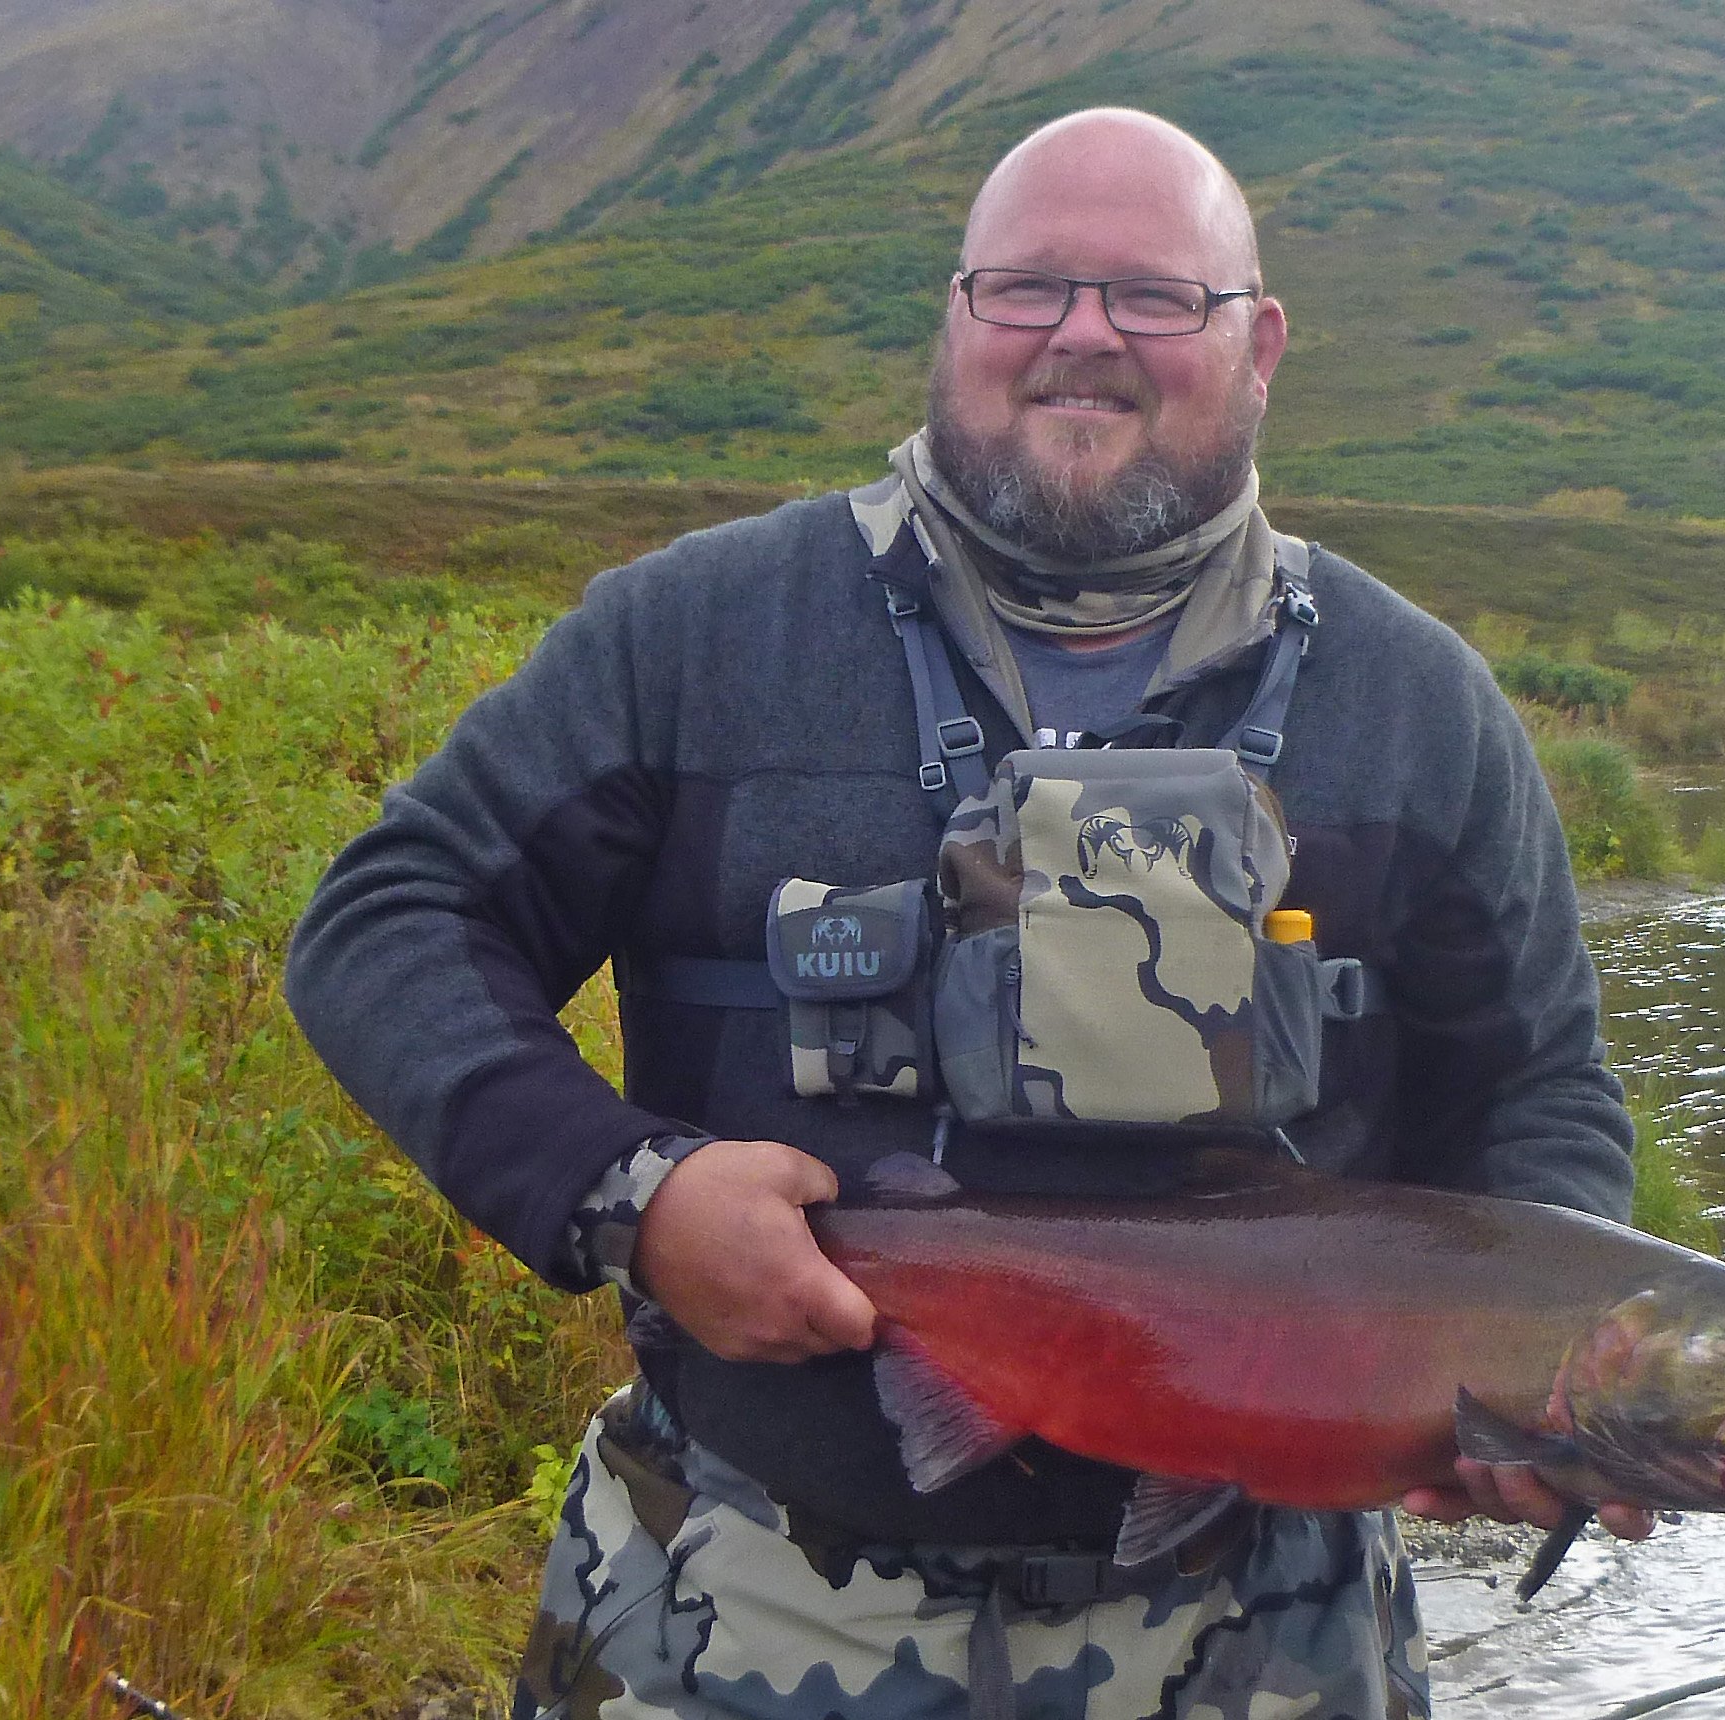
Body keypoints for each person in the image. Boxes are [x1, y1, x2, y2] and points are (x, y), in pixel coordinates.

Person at [287, 106, 1642, 1720]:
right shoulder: (696, 634)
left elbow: (1537, 1095)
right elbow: (391, 917)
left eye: (1155, 297)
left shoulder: (1421, 707)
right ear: (956, 316)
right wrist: (628, 1195)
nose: (1083, 336)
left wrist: (1543, 1376)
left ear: (1260, 343)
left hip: (1270, 1626)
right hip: (735, 1591)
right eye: (1028, 289)